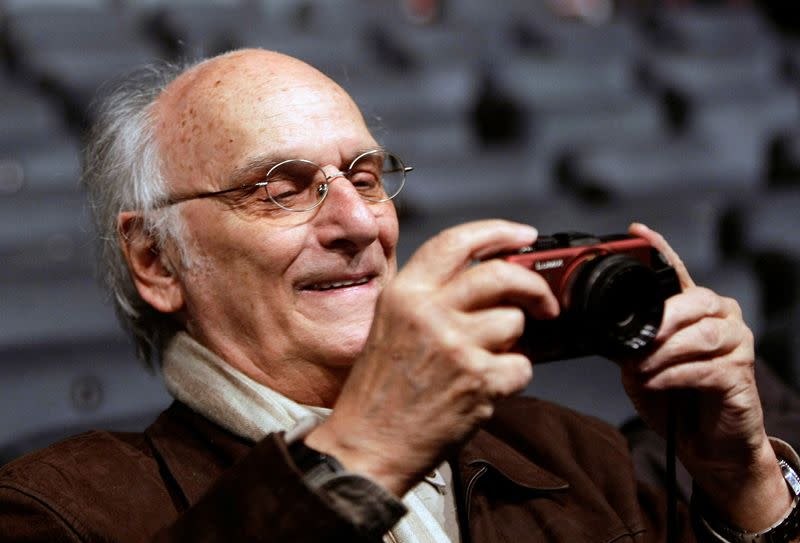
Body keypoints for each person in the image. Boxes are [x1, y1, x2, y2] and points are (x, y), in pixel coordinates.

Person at [0, 48, 798, 543]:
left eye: (366, 176)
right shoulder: (57, 511)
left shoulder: (578, 453)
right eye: (281, 189)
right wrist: (368, 449)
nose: (357, 222)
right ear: (155, 261)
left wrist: (746, 487)